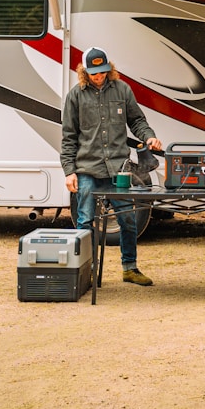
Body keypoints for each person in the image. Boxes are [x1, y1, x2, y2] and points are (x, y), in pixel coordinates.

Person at [62, 47, 163, 286]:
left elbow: (137, 120)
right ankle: (85, 272)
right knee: (85, 221)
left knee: (128, 219)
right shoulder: (75, 96)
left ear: (110, 68)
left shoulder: (122, 90)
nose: (100, 77)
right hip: (87, 168)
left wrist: (149, 136)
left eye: (103, 71)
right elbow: (68, 136)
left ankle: (130, 268)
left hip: (119, 168)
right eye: (94, 73)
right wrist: (69, 170)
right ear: (85, 71)